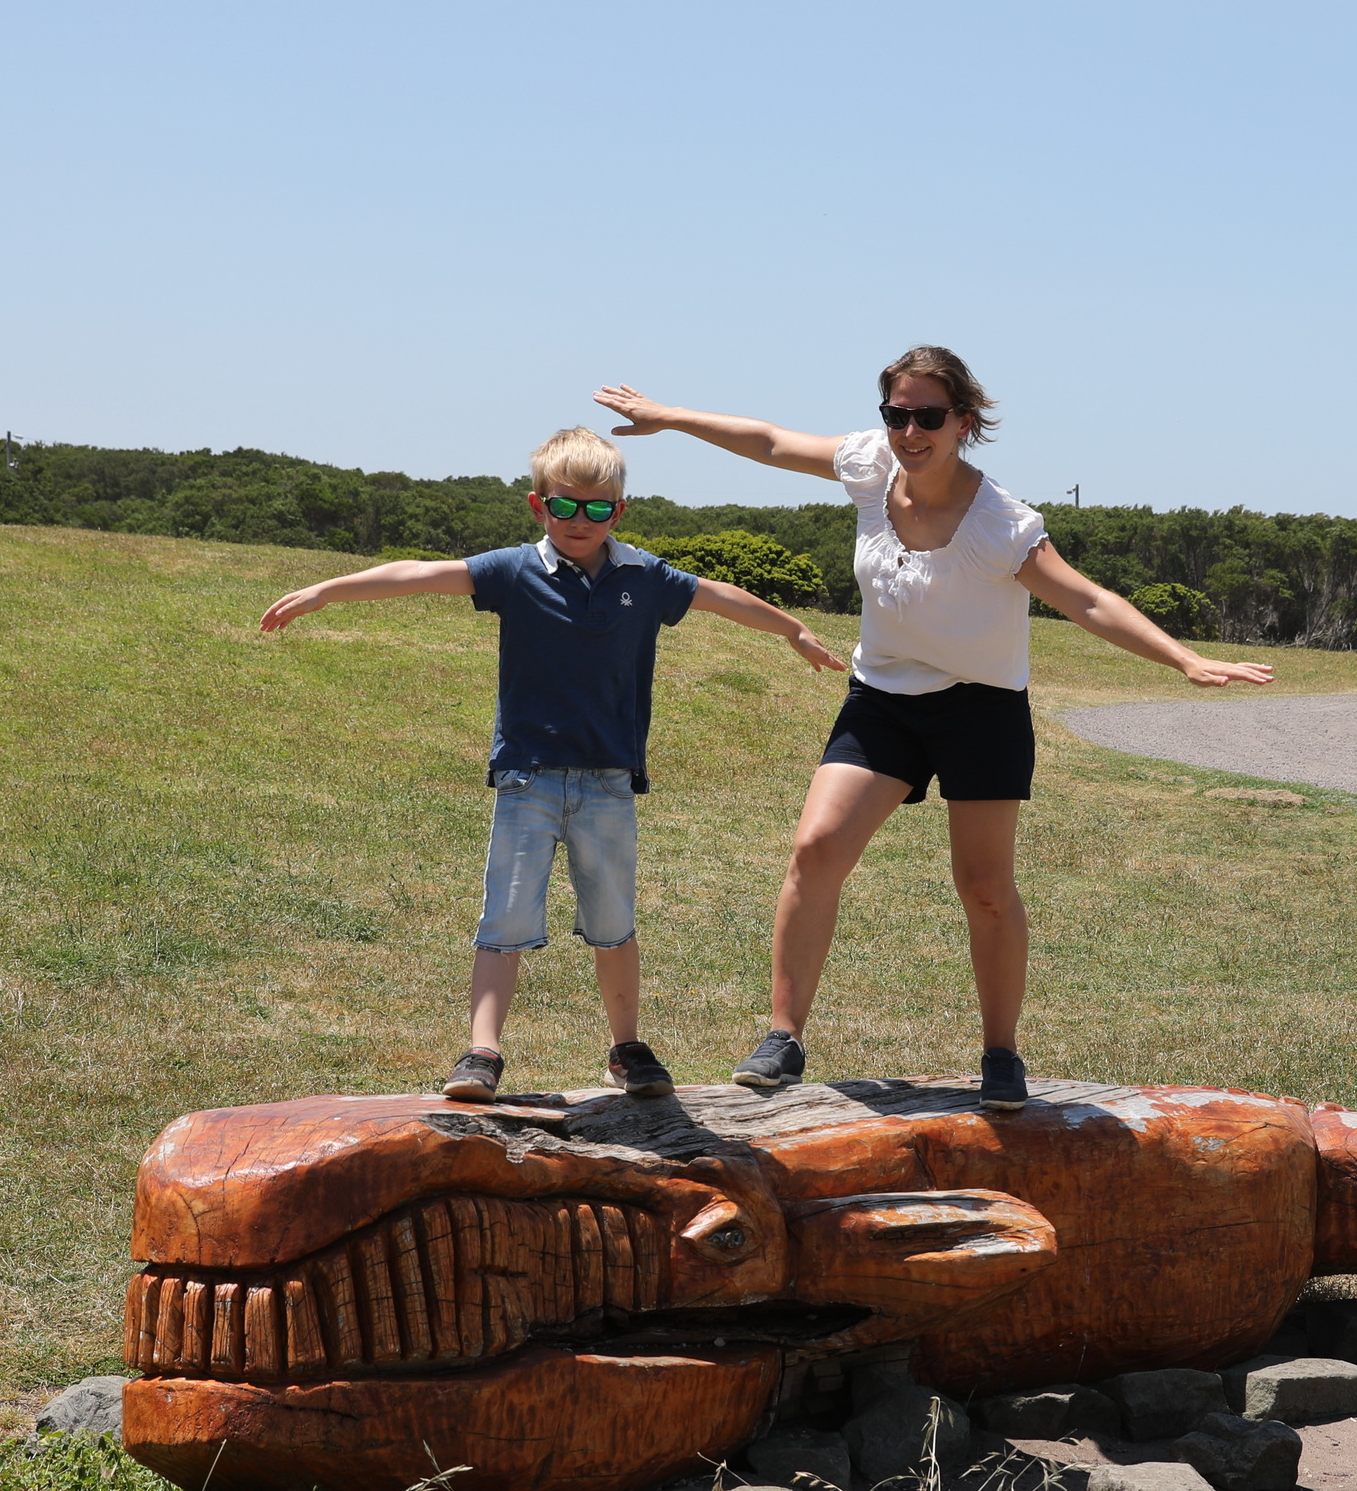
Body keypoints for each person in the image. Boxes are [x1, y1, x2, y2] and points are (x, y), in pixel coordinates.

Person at [594, 347, 1274, 1112]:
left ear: (964, 423)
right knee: (816, 849)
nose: (910, 432)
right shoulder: (868, 467)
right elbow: (772, 442)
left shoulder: (1001, 524)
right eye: (897, 414)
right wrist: (668, 416)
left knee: (985, 888)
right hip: (883, 698)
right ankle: (783, 1037)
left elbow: (1086, 600)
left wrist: (1182, 658)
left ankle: (1001, 1055)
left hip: (982, 707)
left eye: (928, 416)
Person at [261, 425, 841, 1101]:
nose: (579, 520)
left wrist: (794, 629)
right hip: (527, 777)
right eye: (564, 505)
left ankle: (627, 1048)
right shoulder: (514, 571)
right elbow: (419, 574)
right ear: (539, 505)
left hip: (609, 782)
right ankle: (482, 1052)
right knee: (504, 919)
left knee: (613, 924)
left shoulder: (643, 576)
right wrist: (327, 591)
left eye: (597, 508)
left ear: (618, 511)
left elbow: (719, 595)